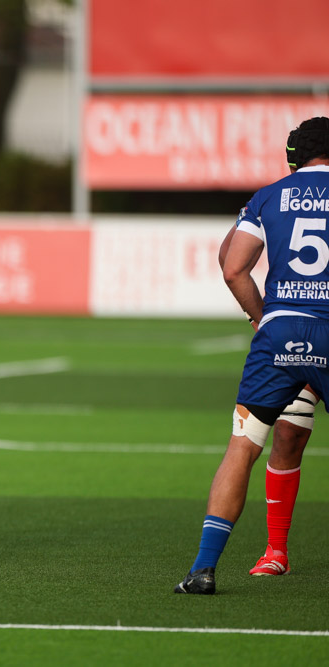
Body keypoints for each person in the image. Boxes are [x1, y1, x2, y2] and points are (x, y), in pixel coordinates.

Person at [175, 116, 329, 594]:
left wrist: (264, 320)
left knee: (244, 444)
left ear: (293, 156)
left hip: (280, 334)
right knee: (288, 435)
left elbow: (233, 265)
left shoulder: (269, 195)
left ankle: (203, 569)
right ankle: (275, 551)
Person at [217, 224, 318, 577]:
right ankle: (276, 550)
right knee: (289, 431)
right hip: (295, 336)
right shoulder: (274, 198)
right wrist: (259, 318)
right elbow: (229, 256)